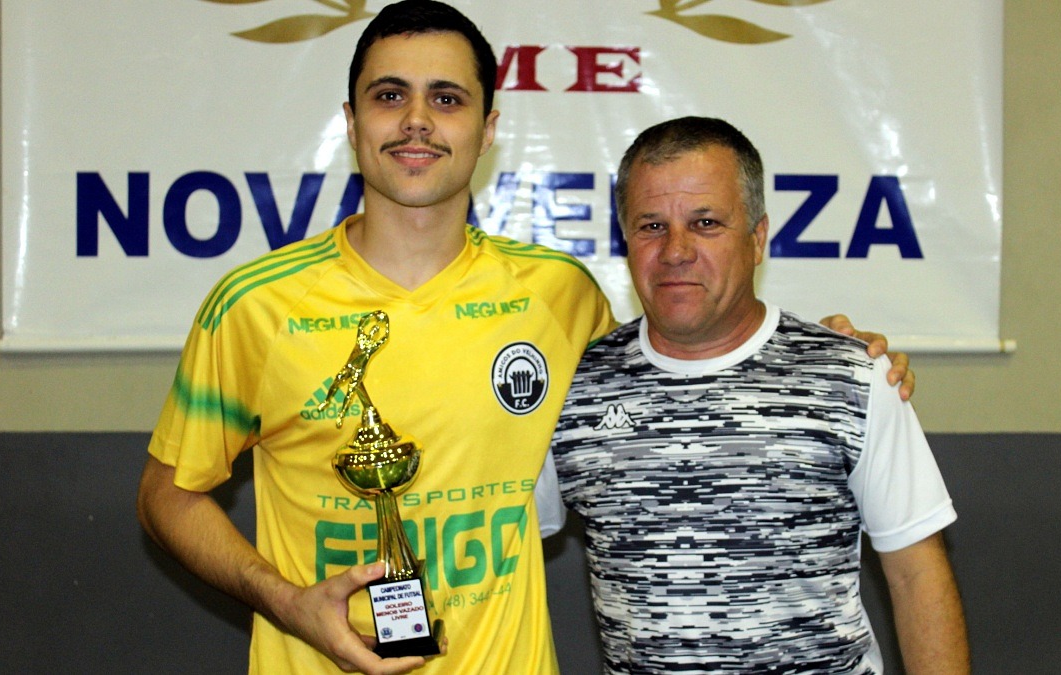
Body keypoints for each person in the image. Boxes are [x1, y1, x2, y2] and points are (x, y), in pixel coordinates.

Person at [137, 2, 912, 674]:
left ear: (488, 128)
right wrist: (287, 601)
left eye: (446, 98)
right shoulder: (254, 305)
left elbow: (675, 368)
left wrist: (832, 351)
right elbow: (167, 494)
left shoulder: (558, 295)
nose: (416, 121)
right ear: (351, 123)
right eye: (388, 96)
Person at [549, 117, 970, 674]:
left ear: (758, 237)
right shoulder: (573, 389)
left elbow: (918, 574)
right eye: (652, 225)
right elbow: (500, 549)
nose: (675, 250)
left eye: (705, 223)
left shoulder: (853, 375)